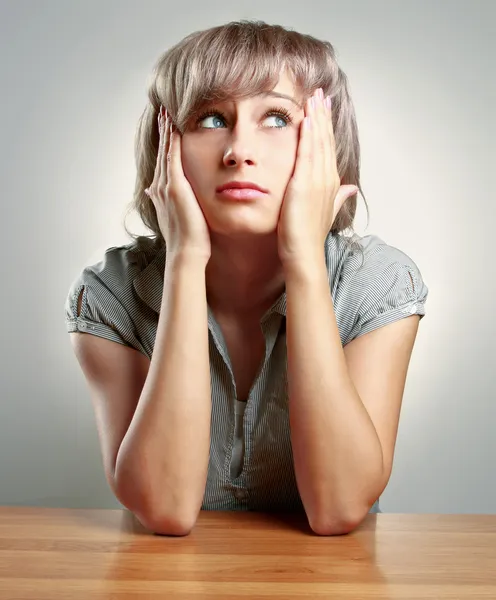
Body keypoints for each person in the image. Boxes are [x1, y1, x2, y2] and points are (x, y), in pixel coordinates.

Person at [64, 20, 429, 537]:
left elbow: (338, 508)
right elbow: (165, 509)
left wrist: (304, 256)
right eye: (212, 118)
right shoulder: (109, 295)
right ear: (166, 144)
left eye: (277, 117)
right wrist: (186, 257)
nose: (238, 150)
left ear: (327, 144)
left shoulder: (379, 283)